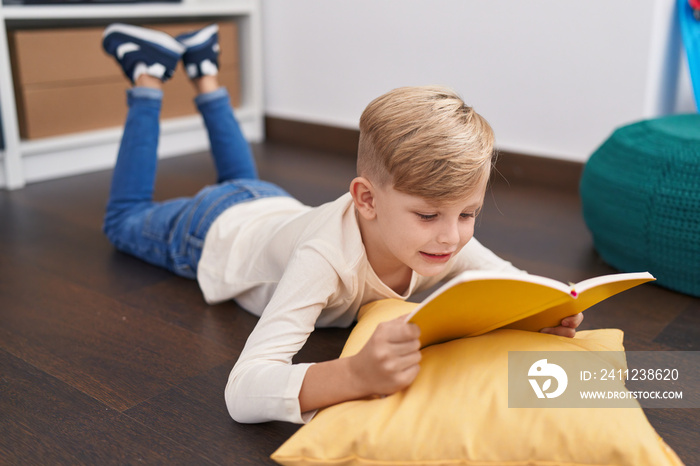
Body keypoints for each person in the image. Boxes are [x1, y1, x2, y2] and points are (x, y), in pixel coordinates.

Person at [101, 23, 584, 424]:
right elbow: (243, 390)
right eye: (428, 214)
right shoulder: (324, 258)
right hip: (208, 231)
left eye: (468, 214)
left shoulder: (440, 239)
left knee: (239, 178)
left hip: (271, 206)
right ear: (367, 200)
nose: (451, 236)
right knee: (123, 220)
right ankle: (148, 75)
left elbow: (509, 279)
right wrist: (353, 375)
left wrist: (545, 311)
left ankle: (205, 70)